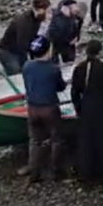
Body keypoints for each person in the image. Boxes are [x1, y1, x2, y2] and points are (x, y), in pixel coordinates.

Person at [70, 40, 103, 185]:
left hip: (87, 106)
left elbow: (74, 92)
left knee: (87, 140)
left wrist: (78, 108)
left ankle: (87, 172)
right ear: (100, 52)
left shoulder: (79, 69)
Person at [22, 38, 66, 183]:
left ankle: (34, 171)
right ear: (48, 51)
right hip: (49, 108)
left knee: (35, 140)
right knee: (57, 139)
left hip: (32, 108)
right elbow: (60, 87)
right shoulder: (53, 69)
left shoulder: (27, 66)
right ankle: (55, 171)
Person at [0, 0, 51, 76]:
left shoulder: (37, 19)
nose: (49, 15)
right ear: (39, 10)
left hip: (19, 48)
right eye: (48, 12)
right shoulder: (24, 23)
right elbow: (22, 46)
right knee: (17, 74)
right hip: (8, 52)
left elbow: (32, 38)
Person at [46, 0, 83, 64]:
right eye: (74, 7)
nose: (76, 9)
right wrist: (69, 41)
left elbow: (77, 28)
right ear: (67, 8)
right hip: (58, 47)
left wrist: (77, 37)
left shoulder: (74, 17)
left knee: (70, 63)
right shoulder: (57, 19)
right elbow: (54, 36)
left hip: (69, 47)